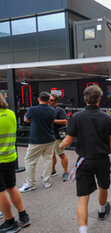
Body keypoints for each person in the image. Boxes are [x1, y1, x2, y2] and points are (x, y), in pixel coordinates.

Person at [59, 85, 111, 233]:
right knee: (103, 187)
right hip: (102, 160)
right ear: (99, 99)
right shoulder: (107, 118)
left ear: (85, 99)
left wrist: (60, 145)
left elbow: (67, 142)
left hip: (84, 161)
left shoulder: (76, 117)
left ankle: (83, 230)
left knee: (83, 197)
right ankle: (101, 210)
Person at [0, 93, 31, 232]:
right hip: (10, 157)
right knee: (11, 187)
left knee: (1, 191)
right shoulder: (10, 114)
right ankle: (23, 216)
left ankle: (10, 222)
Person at [19, 92, 57, 192]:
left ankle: (30, 183)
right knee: (48, 160)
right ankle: (47, 181)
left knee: (30, 161)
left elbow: (26, 119)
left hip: (36, 139)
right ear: (49, 100)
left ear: (38, 99)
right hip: (50, 138)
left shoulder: (33, 109)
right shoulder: (53, 111)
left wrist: (35, 120)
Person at [48, 93, 69, 181]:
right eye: (49, 99)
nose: (50, 101)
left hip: (57, 136)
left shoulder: (59, 110)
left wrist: (53, 120)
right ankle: (53, 170)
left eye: (52, 100)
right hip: (48, 136)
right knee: (51, 155)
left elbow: (64, 121)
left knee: (61, 154)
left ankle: (65, 172)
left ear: (56, 101)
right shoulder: (46, 110)